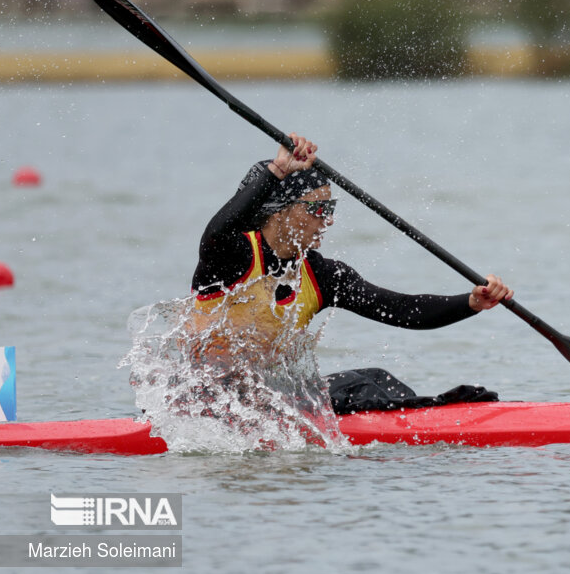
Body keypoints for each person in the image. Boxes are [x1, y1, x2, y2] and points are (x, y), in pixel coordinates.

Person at [187, 133, 511, 404]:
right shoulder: (232, 256)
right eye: (318, 207)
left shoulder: (322, 275)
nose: (327, 219)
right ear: (278, 211)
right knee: (362, 390)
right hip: (208, 397)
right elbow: (217, 230)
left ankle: (428, 413)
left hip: (271, 397)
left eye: (331, 208)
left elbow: (399, 309)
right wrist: (277, 169)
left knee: (378, 379)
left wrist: (471, 303)